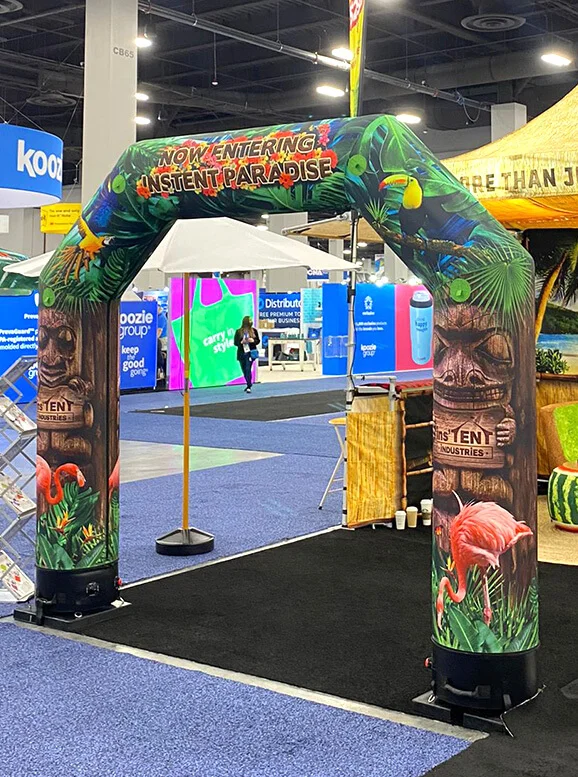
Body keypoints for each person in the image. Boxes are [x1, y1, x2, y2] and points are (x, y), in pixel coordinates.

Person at [234, 315, 260, 393]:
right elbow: (235, 342)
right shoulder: (238, 331)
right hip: (242, 353)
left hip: (250, 353)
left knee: (248, 368)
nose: (251, 322)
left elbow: (258, 341)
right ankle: (248, 383)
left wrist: (253, 340)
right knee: (244, 370)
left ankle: (249, 386)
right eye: (249, 320)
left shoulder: (254, 331)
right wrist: (241, 342)